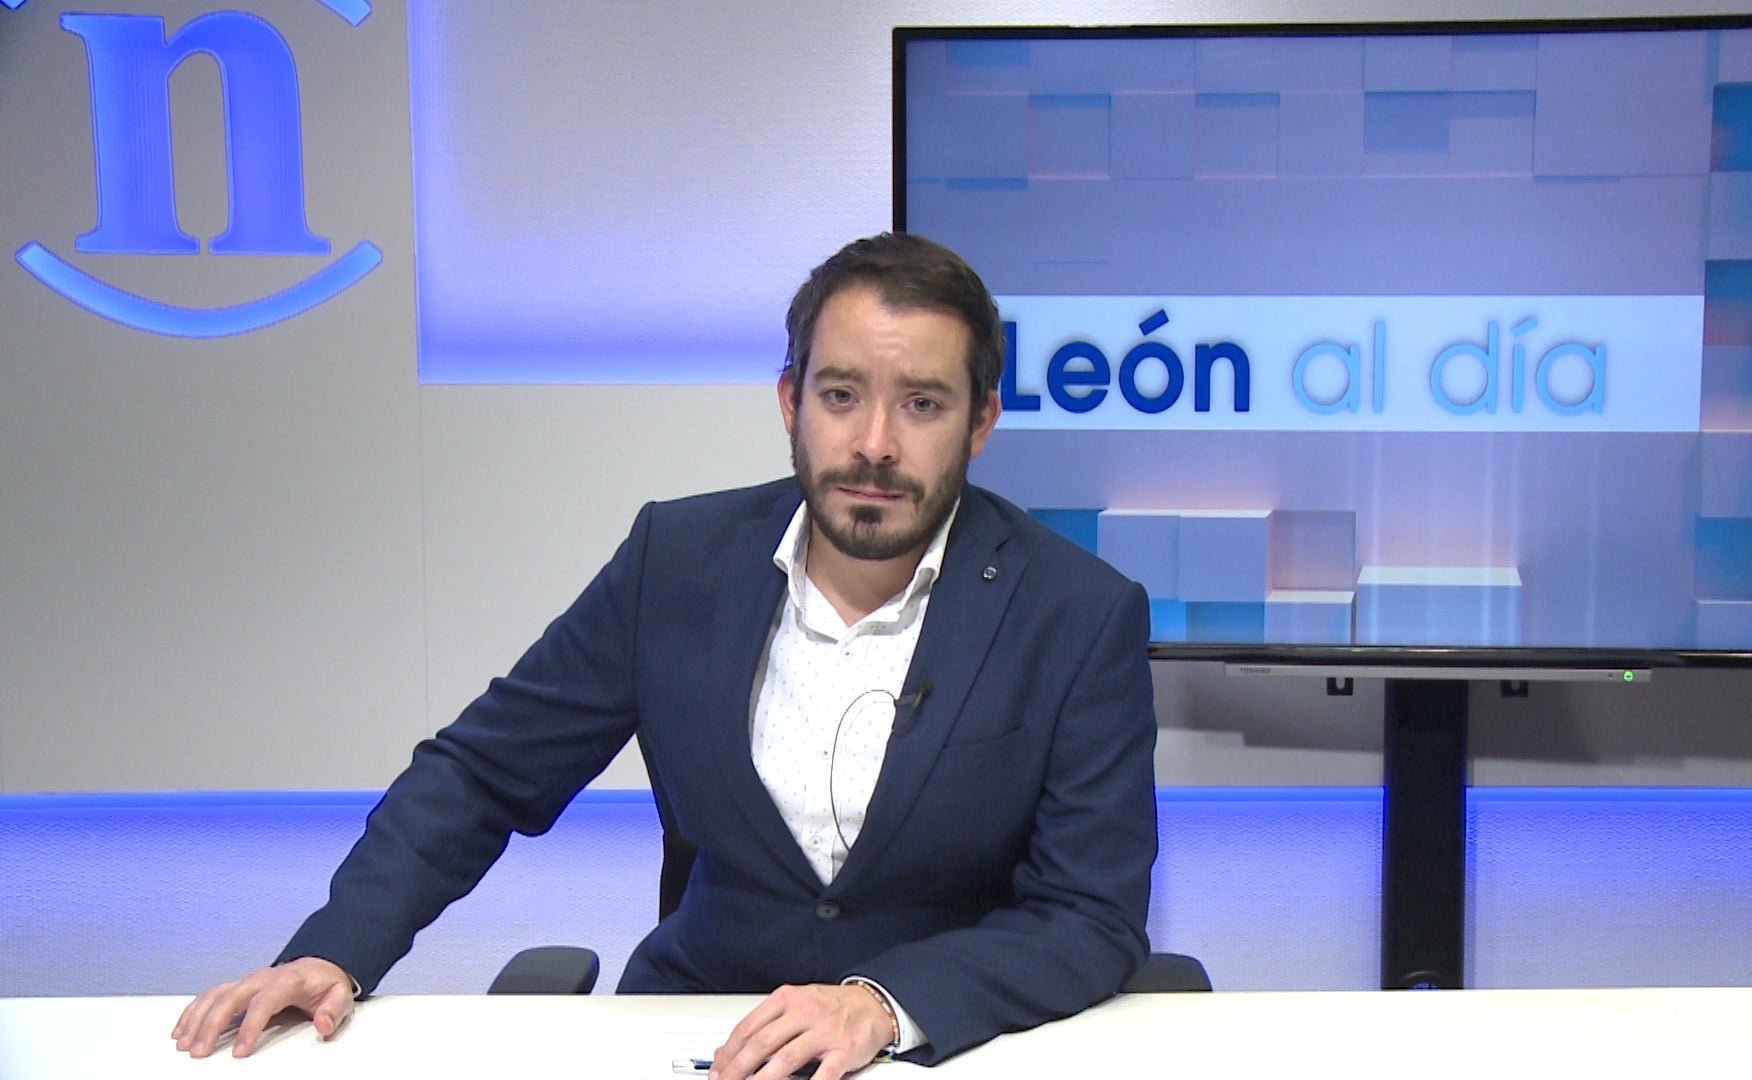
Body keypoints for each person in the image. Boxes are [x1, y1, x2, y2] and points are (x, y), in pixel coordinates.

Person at [171, 233, 1159, 1079]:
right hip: (703, 1031)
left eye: (922, 405)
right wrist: (336, 952)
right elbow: (481, 774)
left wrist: (881, 1004)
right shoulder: (675, 561)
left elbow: (1090, 914)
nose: (873, 443)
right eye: (841, 394)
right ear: (790, 399)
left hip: (947, 1047)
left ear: (982, 422)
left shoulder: (1078, 612)